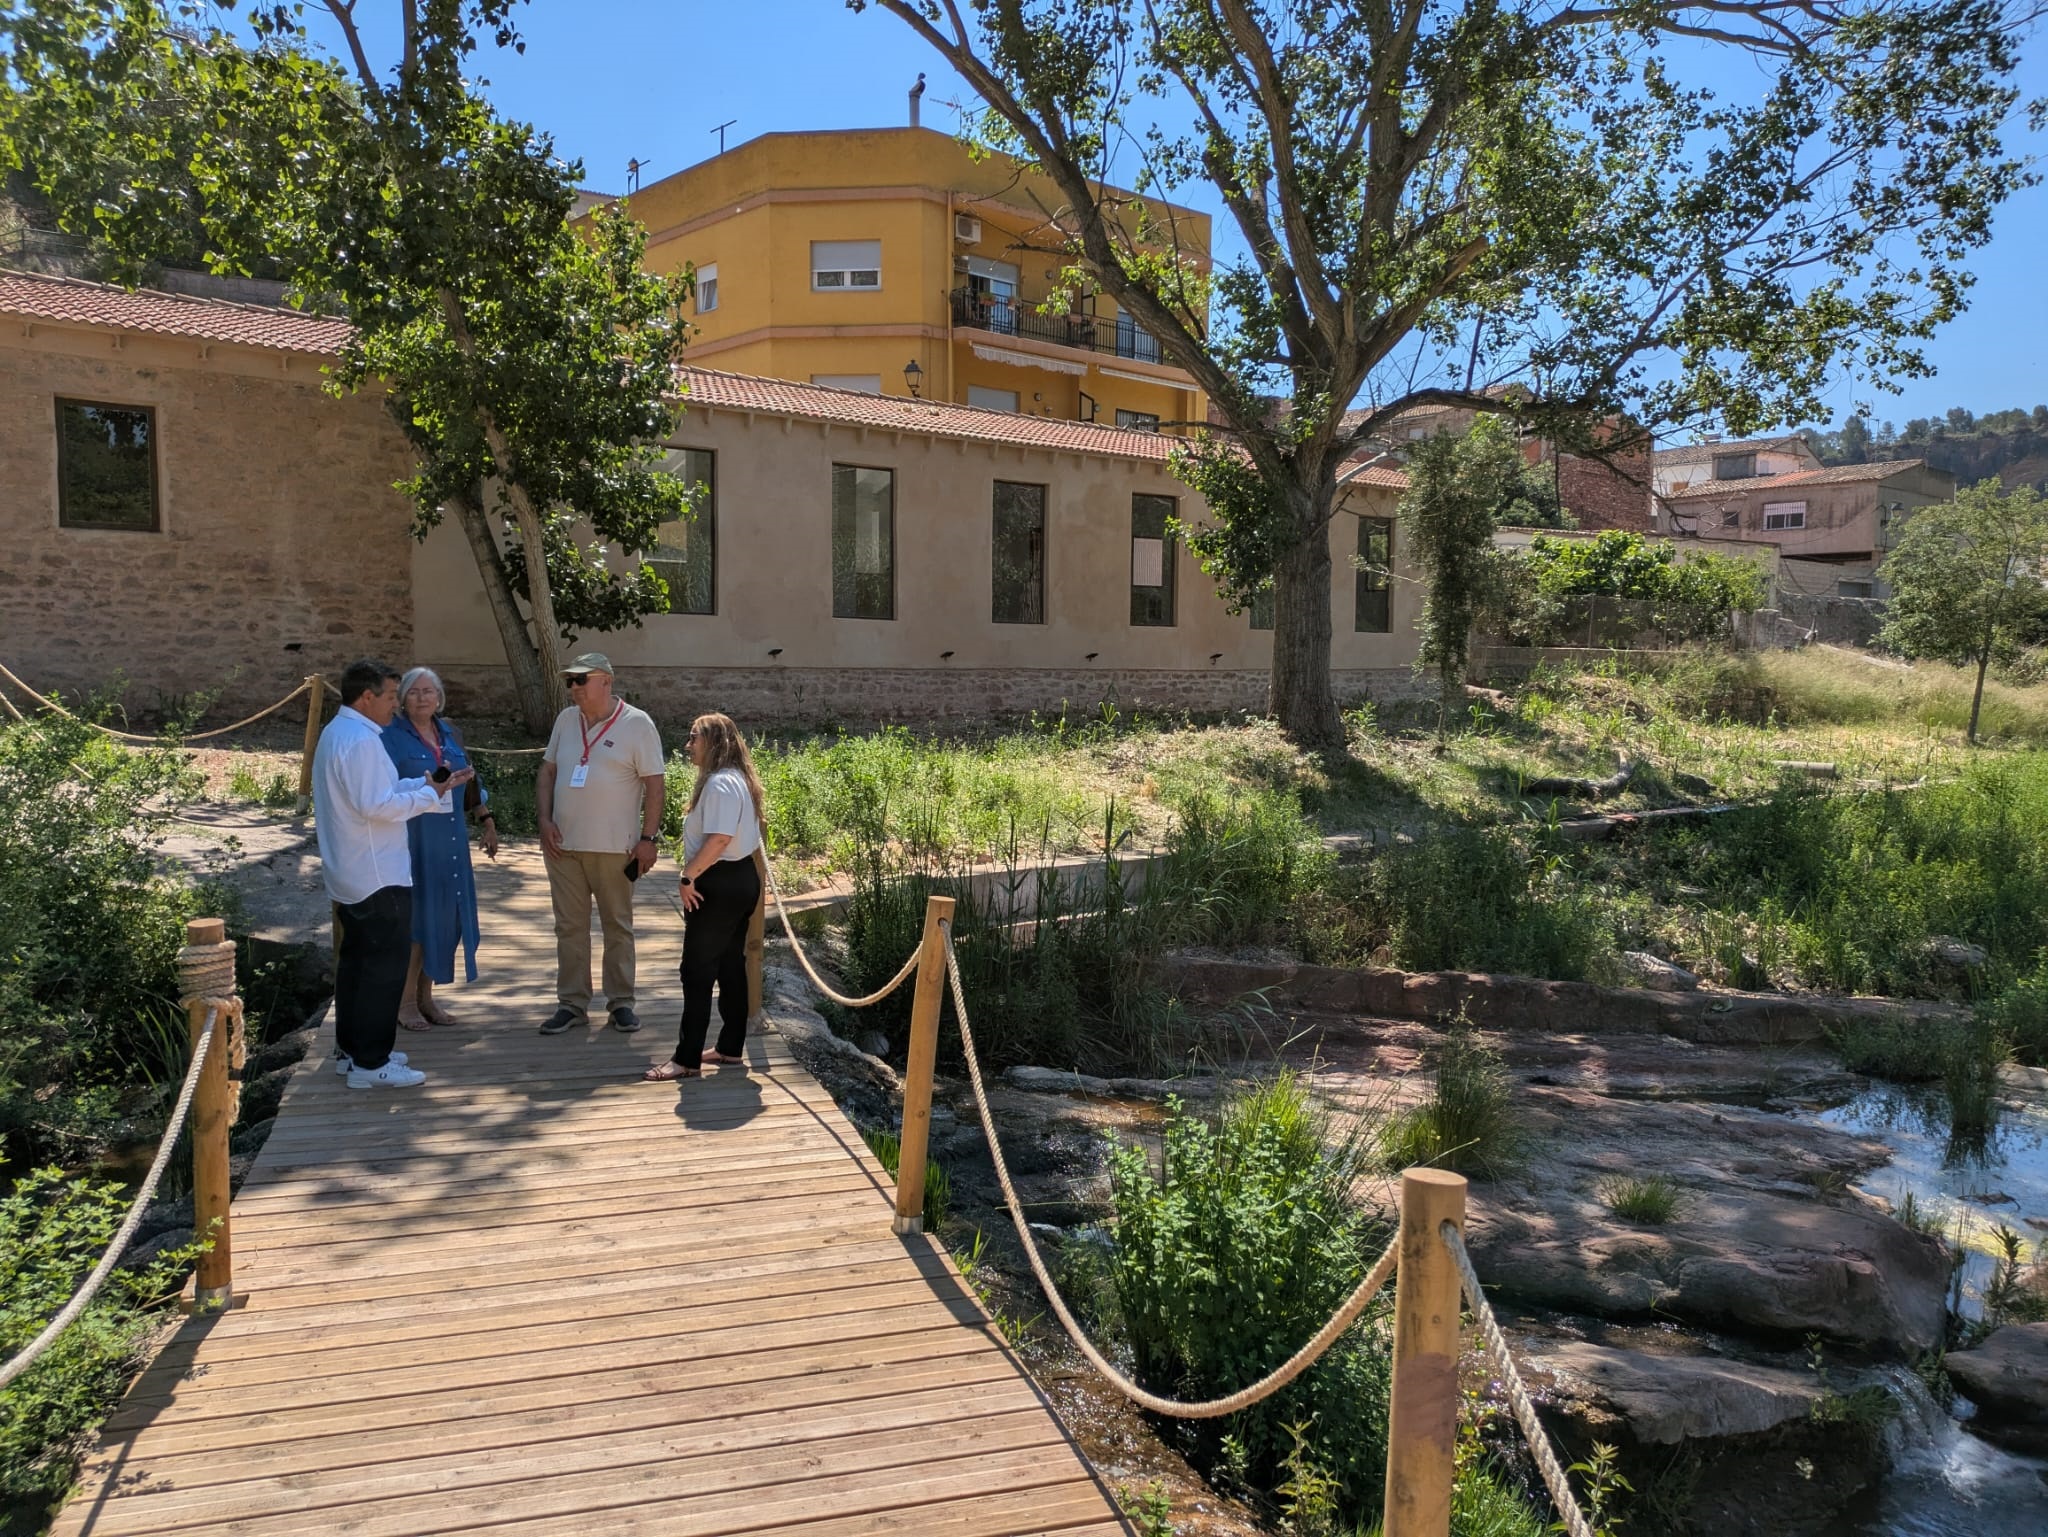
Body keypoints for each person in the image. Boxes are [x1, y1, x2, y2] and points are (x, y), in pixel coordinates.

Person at [312, 658, 472, 1089]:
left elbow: (375, 795)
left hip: (352, 871)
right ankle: (372, 1062)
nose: (393, 706)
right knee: (381, 971)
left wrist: (423, 787)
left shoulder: (338, 732)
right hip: (377, 873)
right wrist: (427, 796)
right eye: (388, 697)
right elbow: (376, 807)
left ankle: (353, 1050)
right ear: (366, 698)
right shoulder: (363, 741)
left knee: (356, 967)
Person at [535, 653, 666, 1035]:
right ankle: (572, 1004)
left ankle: (621, 1003)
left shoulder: (637, 724)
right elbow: (548, 771)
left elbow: (655, 784)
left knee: (617, 927)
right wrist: (543, 821)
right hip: (563, 847)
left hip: (616, 848)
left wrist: (648, 838)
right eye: (569, 681)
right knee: (569, 928)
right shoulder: (565, 720)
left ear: (605, 681)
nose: (573, 687)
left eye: (580, 679)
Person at [643, 713, 764, 1083]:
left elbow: (720, 839)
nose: (687, 745)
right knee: (729, 965)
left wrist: (687, 875)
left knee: (696, 971)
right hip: (739, 878)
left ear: (712, 741)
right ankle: (729, 1046)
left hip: (720, 882)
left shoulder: (721, 784)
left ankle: (686, 1058)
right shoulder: (735, 780)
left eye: (693, 737)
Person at [382, 667, 498, 1029]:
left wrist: (486, 818)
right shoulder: (390, 737)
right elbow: (382, 788)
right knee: (417, 922)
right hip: (413, 839)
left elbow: (470, 779)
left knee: (445, 919)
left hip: (450, 840)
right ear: (402, 698)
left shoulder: (450, 734)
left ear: (439, 697)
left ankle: (426, 998)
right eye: (413, 692)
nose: (421, 698)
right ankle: (403, 1005)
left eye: (428, 691)